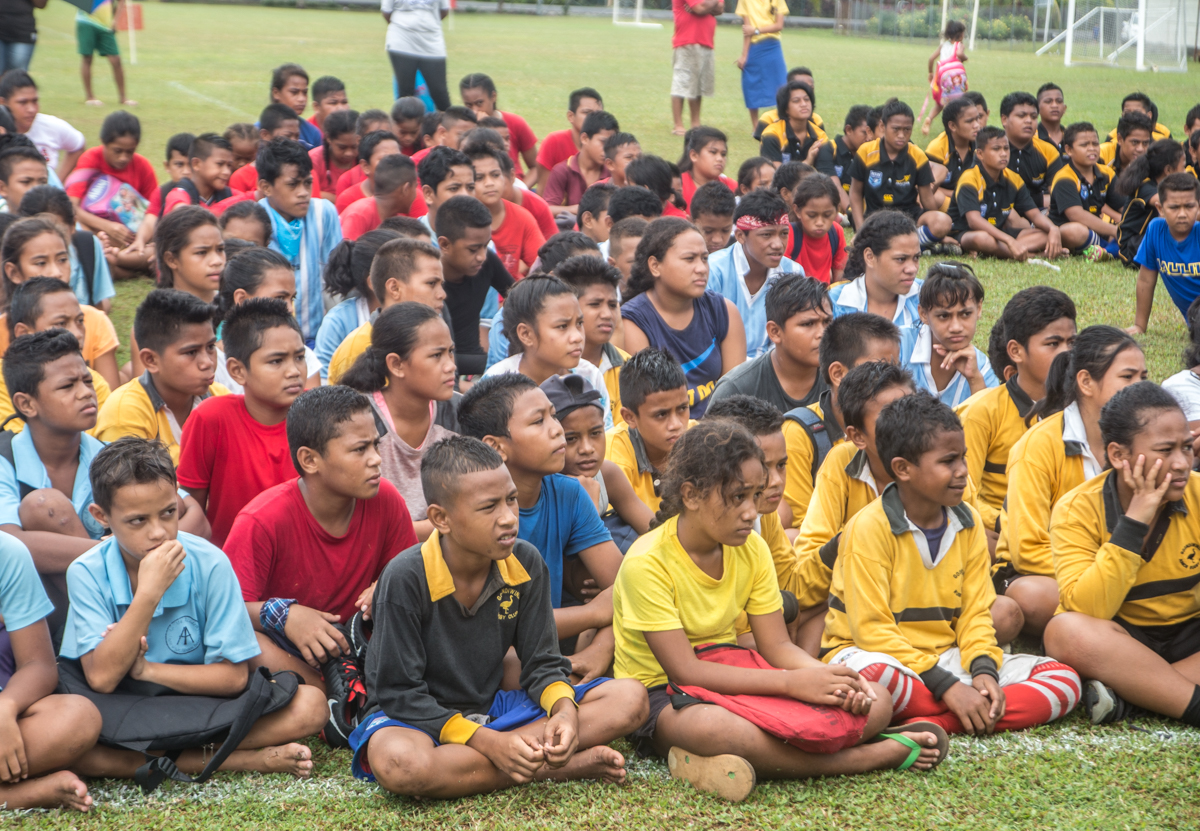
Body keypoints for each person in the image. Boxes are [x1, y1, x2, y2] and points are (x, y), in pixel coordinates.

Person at [615, 419, 947, 803]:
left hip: (737, 670)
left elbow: (775, 647)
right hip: (663, 695)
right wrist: (791, 684)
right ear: (690, 495)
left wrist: (830, 678)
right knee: (722, 731)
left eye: (755, 496)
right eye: (737, 497)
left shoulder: (751, 549)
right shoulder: (647, 562)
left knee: (876, 697)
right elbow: (684, 670)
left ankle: (751, 759)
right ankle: (867, 756)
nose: (751, 512)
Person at [350, 434, 645, 796]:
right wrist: (488, 743)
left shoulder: (525, 562)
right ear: (441, 518)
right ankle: (552, 767)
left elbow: (542, 664)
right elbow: (399, 693)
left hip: (492, 708)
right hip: (414, 720)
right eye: (489, 507)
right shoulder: (404, 577)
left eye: (511, 501)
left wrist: (565, 712)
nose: (508, 519)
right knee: (401, 765)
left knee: (630, 699)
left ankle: (510, 758)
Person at [61, 437, 328, 780]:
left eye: (168, 513)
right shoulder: (86, 571)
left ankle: (150, 758)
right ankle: (244, 759)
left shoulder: (210, 563)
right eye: (137, 521)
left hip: (199, 701)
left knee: (310, 706)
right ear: (101, 517)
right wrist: (149, 593)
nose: (159, 533)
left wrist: (146, 671)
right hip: (124, 705)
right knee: (76, 742)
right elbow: (101, 678)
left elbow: (232, 678)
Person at [823, 393, 1081, 736]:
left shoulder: (968, 522)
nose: (962, 472)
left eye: (963, 458)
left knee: (1063, 680)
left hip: (942, 657)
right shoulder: (868, 527)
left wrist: (984, 670)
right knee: (877, 681)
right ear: (902, 468)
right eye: (948, 462)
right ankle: (967, 710)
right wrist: (948, 687)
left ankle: (939, 721)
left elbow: (976, 613)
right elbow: (873, 632)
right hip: (872, 656)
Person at [223, 386, 416, 692]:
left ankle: (350, 687)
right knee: (249, 644)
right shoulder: (262, 519)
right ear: (310, 460)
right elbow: (226, 610)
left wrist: (386, 584)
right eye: (359, 449)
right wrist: (286, 615)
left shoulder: (385, 499)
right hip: (287, 646)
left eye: (376, 446)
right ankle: (329, 693)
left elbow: (414, 573)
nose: (376, 459)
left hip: (357, 640)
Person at [1043, 382, 1200, 726]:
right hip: (1122, 641)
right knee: (1064, 630)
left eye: (1187, 448)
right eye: (1165, 449)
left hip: (1190, 638)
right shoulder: (1076, 509)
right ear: (1118, 455)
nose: (1181, 463)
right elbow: (1089, 608)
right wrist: (1135, 521)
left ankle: (1138, 696)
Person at [457, 374, 622, 675]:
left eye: (553, 416)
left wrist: (600, 650)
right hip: (493, 663)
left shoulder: (569, 493)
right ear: (496, 447)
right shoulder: (474, 515)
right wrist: (592, 613)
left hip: (546, 654)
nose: (557, 430)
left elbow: (628, 587)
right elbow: (501, 633)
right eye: (538, 422)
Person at [996, 327, 1145, 637]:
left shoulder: (1144, 441)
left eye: (1143, 377)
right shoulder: (1037, 446)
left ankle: (1118, 637)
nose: (1140, 387)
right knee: (1032, 597)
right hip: (1046, 573)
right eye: (1128, 377)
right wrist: (1096, 575)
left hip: (1124, 570)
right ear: (1086, 382)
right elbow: (1027, 549)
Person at [177, 298, 307, 547]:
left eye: (299, 357)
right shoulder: (211, 419)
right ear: (237, 371)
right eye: (276, 361)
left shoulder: (320, 417)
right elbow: (191, 505)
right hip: (229, 562)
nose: (294, 371)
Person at [959, 286, 1077, 541]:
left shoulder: (1084, 409)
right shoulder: (981, 412)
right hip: (1004, 533)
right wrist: (1010, 521)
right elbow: (963, 495)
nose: (1067, 354)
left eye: (1072, 342)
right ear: (1016, 351)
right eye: (1053, 344)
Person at [0, 524, 100, 811]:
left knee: (77, 718)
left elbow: (39, 665)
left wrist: (6, 707)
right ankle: (21, 795)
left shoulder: (7, 552)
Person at [340, 302, 458, 541]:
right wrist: (445, 526)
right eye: (436, 355)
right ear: (396, 364)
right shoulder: (358, 418)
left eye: (451, 352)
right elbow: (352, 521)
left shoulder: (459, 413)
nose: (451, 366)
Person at [780, 312, 900, 532]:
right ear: (838, 373)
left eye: (895, 368)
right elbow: (804, 529)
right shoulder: (800, 433)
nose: (889, 379)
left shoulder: (904, 424)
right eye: (877, 368)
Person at [621, 218, 745, 418]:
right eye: (689, 259)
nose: (702, 268)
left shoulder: (724, 311)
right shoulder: (632, 323)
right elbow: (651, 410)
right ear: (655, 266)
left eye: (704, 258)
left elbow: (734, 396)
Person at [94, 290, 229, 465]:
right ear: (150, 360)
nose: (207, 362)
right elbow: (134, 488)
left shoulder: (220, 398)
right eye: (191, 352)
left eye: (211, 347)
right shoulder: (124, 414)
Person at [0, 217, 120, 388]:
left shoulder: (94, 320)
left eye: (62, 260)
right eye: (41, 263)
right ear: (14, 273)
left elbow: (109, 403)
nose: (56, 272)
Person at [483, 275, 613, 429]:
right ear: (526, 334)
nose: (577, 337)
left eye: (579, 323)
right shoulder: (497, 385)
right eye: (562, 326)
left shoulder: (589, 376)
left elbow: (606, 436)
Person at [327, 237, 447, 385]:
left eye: (441, 284)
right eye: (431, 283)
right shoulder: (357, 348)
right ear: (394, 288)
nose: (442, 294)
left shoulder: (437, 335)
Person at [258, 138, 343, 345]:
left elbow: (334, 280)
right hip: (268, 341)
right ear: (266, 187)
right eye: (292, 185)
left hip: (315, 338)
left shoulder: (324, 213)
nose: (303, 193)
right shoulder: (254, 220)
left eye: (307, 183)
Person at [0, 278, 111, 430]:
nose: (77, 334)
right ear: (24, 333)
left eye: (80, 321)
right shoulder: (3, 379)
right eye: (60, 324)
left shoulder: (95, 383)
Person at [710, 274, 828, 416]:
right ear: (775, 332)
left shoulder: (842, 378)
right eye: (808, 324)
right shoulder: (736, 389)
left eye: (827, 322)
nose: (822, 333)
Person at [706, 190, 803, 360]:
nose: (778, 244)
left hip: (771, 369)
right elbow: (705, 338)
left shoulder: (793, 273)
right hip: (721, 370)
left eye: (783, 234)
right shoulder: (713, 270)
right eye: (766, 234)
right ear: (741, 236)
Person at [212, 246, 321, 392]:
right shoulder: (213, 364)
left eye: (292, 298)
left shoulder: (303, 354)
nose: (289, 308)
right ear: (242, 299)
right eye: (279, 298)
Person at [848, 100, 950, 251]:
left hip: (910, 220)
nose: (901, 135)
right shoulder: (865, 152)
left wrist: (939, 231)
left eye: (907, 130)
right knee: (870, 238)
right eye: (896, 129)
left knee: (943, 221)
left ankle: (904, 246)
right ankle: (913, 246)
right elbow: (855, 193)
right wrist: (860, 230)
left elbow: (927, 200)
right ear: (883, 126)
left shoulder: (917, 155)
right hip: (876, 220)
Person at [950, 126, 1063, 261]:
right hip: (967, 233)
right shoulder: (970, 178)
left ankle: (1000, 251)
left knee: (1046, 234)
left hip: (999, 234)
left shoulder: (1014, 179)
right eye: (996, 149)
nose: (1003, 154)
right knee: (983, 239)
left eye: (1006, 148)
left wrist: (1053, 229)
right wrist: (1009, 240)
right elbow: (974, 221)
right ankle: (1033, 255)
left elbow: (1035, 215)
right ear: (980, 154)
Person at [64, 111, 156, 269]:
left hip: (133, 239)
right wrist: (107, 226)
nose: (124, 158)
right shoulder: (90, 159)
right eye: (117, 151)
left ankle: (114, 262)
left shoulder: (142, 166)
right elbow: (70, 207)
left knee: (157, 245)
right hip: (97, 231)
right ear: (103, 142)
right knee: (75, 228)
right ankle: (118, 262)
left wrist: (141, 238)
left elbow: (153, 212)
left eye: (130, 152)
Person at [607, 347, 690, 514]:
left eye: (682, 408)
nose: (675, 424)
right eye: (661, 414)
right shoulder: (615, 454)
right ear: (629, 417)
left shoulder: (701, 439)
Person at [437, 195, 513, 377]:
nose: (482, 256)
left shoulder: (487, 264)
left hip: (476, 363)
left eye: (486, 246)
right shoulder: (426, 282)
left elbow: (519, 297)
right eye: (473, 250)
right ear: (445, 244)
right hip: (441, 369)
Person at [906, 262, 997, 406]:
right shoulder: (898, 346)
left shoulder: (982, 368)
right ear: (923, 314)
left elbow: (992, 425)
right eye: (943, 316)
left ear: (979, 309)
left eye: (966, 314)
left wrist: (974, 379)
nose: (956, 327)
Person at [15, 183, 115, 314]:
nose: (56, 272)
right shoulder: (15, 255)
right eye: (41, 263)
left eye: (58, 231)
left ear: (73, 225)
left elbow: (101, 304)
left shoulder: (88, 245)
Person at [555, 255, 629, 424]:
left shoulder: (628, 368)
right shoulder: (549, 366)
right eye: (595, 304)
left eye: (612, 305)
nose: (607, 314)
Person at [1128, 172, 1200, 334]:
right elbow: (1146, 280)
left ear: (1198, 206)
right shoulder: (1155, 230)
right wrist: (1139, 326)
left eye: (1189, 206)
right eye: (1174, 207)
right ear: (1160, 208)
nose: (1182, 214)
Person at [829, 210, 922, 335]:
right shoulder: (834, 302)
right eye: (900, 259)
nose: (912, 269)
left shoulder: (928, 297)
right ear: (870, 257)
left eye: (916, 258)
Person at [1048, 122, 1125, 260]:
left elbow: (1123, 207)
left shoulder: (1106, 173)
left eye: (1095, 144)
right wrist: (1115, 231)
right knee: (1077, 231)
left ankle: (1106, 250)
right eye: (1084, 145)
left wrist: (1127, 225)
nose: (1091, 149)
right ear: (1069, 150)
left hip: (1097, 230)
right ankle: (1111, 250)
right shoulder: (1064, 177)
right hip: (1067, 230)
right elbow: (1076, 215)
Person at [468, 145, 544, 279]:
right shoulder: (459, 220)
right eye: (479, 178)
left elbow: (542, 265)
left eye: (495, 175)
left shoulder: (522, 217)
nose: (489, 183)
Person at [1114, 139, 1186, 268]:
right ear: (1168, 170)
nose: (1185, 172)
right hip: (1132, 248)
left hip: (1146, 241)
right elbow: (1169, 203)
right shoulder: (1145, 188)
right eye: (1183, 167)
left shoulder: (1166, 187)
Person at [0, 71, 85, 177]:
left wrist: (59, 181)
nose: (31, 109)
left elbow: (78, 145)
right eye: (23, 102)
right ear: (3, 103)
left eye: (35, 101)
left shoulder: (51, 126)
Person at [459, 73, 538, 180]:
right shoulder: (463, 128)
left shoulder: (515, 122)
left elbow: (535, 166)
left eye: (479, 103)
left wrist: (522, 188)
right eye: (468, 105)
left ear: (493, 97)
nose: (474, 110)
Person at [544, 112, 619, 219]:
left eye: (611, 144)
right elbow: (547, 209)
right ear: (584, 138)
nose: (608, 149)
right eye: (603, 142)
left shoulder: (612, 171)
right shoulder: (562, 170)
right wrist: (575, 209)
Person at [382, 0, 451, 111]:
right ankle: (407, 127)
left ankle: (447, 126)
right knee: (405, 94)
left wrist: (426, 26)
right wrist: (406, 26)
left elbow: (444, 10)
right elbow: (386, 11)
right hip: (402, 39)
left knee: (440, 94)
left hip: (432, 41)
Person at [534, 88, 604, 195]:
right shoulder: (554, 142)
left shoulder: (610, 145)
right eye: (587, 113)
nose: (593, 119)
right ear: (571, 116)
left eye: (598, 114)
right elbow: (543, 194)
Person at [999, 91, 1060, 208]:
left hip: (1040, 214)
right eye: (1021, 116)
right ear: (1004, 119)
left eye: (1033, 117)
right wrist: (1040, 199)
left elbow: (1060, 196)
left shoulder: (1048, 151)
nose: (1029, 121)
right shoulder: (988, 150)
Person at [340, 155, 419, 242]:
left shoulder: (396, 220)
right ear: (406, 189)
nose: (416, 195)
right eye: (415, 187)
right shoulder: (360, 214)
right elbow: (345, 252)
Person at [735, 0, 788, 130]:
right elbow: (747, 30)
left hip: (772, 46)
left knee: (781, 85)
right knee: (751, 83)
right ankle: (756, 126)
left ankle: (782, 122)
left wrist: (757, 30)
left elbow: (779, 25)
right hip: (754, 47)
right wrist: (744, 55)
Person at [670, 0, 720, 136]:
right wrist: (708, 6)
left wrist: (706, 6)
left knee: (698, 85)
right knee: (681, 83)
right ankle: (678, 125)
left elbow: (720, 9)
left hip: (706, 41)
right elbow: (699, 8)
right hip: (687, 41)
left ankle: (695, 123)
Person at [226, 105, 303, 194]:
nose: (293, 142)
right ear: (265, 135)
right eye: (287, 136)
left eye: (297, 136)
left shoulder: (304, 169)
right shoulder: (240, 177)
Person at [787, 174, 846, 284]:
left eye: (827, 215)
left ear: (837, 210)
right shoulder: (789, 235)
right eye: (812, 215)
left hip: (826, 296)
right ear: (797, 211)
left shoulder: (836, 232)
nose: (820, 223)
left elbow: (839, 272)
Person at [814, 104, 873, 209]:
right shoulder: (828, 149)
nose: (869, 138)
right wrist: (851, 213)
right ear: (849, 130)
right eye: (864, 133)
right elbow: (834, 187)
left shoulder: (871, 152)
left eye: (871, 133)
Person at [76, 1, 133, 107]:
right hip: (85, 21)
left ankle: (123, 98)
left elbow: (121, 2)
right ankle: (90, 97)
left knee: (116, 60)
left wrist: (115, 20)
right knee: (87, 58)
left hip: (105, 24)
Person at [335, 130, 405, 215]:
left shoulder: (410, 195)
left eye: (397, 158)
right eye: (384, 159)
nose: (394, 164)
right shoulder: (348, 199)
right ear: (365, 166)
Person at [925, 96, 980, 205]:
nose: (977, 125)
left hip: (976, 200)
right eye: (969, 121)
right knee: (936, 197)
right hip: (948, 202)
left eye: (977, 119)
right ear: (952, 126)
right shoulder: (937, 148)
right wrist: (958, 195)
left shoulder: (982, 146)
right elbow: (925, 188)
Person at [759, 81, 828, 167]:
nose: (803, 104)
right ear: (785, 109)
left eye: (807, 99)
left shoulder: (820, 136)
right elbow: (776, 176)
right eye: (796, 101)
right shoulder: (772, 135)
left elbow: (827, 171)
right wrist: (807, 162)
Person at [417, 145, 476, 238]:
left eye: (470, 188)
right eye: (454, 188)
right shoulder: (409, 242)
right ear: (428, 194)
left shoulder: (481, 240)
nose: (465, 195)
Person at [920, 20, 967, 135]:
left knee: (940, 104)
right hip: (954, 78)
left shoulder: (943, 45)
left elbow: (931, 59)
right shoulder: (959, 45)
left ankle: (929, 119)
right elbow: (960, 55)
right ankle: (953, 128)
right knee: (958, 102)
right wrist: (965, 58)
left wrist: (930, 73)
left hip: (942, 76)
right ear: (960, 35)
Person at [678, 127, 736, 211]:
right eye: (713, 152)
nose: (720, 159)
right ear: (694, 155)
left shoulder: (731, 186)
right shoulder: (678, 186)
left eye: (723, 154)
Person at [266, 63, 321, 149]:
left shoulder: (313, 133)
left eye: (305, 92)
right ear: (276, 93)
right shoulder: (259, 131)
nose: (302, 99)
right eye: (294, 92)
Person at [311, 109, 360, 202]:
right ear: (329, 138)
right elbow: (310, 195)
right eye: (342, 147)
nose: (349, 153)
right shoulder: (313, 160)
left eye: (354, 147)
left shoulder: (366, 159)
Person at [1099, 111, 1153, 191]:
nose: (1140, 149)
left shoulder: (1153, 160)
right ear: (1120, 139)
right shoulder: (1101, 155)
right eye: (1135, 142)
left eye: (1145, 143)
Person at [0, 132, 47, 214]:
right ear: (2, 188)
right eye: (26, 182)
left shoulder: (59, 220)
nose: (37, 189)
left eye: (43, 182)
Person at [690, 180, 736, 255]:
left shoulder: (739, 253)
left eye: (726, 230)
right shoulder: (682, 252)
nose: (717, 240)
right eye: (708, 231)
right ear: (691, 222)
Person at [607, 216, 648, 291]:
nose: (644, 267)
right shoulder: (604, 299)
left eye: (648, 259)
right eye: (635, 261)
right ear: (612, 264)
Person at [1036, 83, 1066, 151]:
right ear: (1037, 109)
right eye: (1048, 101)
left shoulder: (1072, 137)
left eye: (1059, 101)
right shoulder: (1032, 138)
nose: (1054, 105)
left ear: (1064, 108)